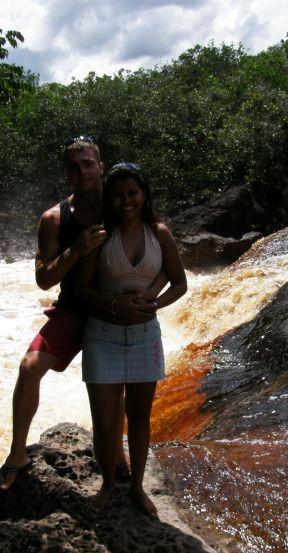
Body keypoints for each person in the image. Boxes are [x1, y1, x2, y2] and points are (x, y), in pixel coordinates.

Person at [0, 138, 164, 490]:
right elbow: (44, 279)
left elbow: (161, 248)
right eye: (74, 166)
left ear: (101, 167)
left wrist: (149, 297)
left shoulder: (121, 204)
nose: (82, 171)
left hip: (115, 312)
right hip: (74, 310)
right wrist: (75, 251)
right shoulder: (55, 219)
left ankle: (117, 457)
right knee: (29, 368)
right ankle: (16, 454)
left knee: (116, 389)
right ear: (67, 174)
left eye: (88, 164)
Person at [76, 162, 187, 517]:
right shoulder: (100, 236)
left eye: (133, 193)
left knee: (139, 417)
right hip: (102, 335)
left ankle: (137, 487)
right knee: (106, 422)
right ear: (110, 199)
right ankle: (107, 485)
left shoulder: (160, 233)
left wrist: (154, 304)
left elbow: (179, 282)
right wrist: (113, 304)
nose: (127, 201)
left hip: (144, 335)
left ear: (144, 195)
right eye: (119, 194)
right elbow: (80, 288)